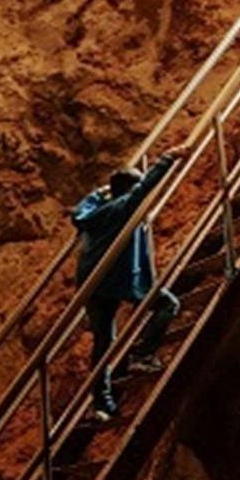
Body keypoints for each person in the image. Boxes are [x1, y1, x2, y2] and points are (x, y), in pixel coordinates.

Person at [71, 153, 183, 421]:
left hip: (91, 282)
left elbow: (77, 214)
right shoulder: (125, 208)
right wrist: (168, 159)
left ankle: (101, 403)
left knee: (103, 341)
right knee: (168, 305)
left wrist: (100, 193)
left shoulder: (97, 211)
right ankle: (142, 355)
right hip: (118, 278)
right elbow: (146, 188)